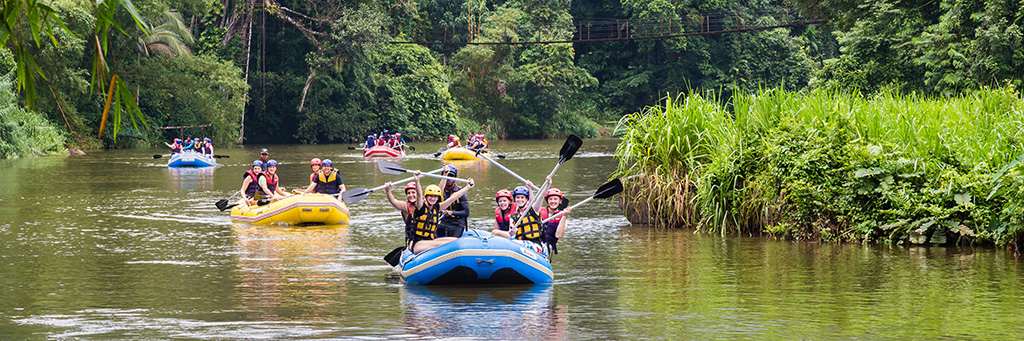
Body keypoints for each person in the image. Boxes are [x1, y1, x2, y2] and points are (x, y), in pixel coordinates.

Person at [408, 171, 475, 254]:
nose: (433, 198)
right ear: (426, 196)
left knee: (455, 240)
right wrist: (417, 180)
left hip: (430, 241)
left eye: (435, 196)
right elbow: (419, 194)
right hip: (418, 244)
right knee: (442, 243)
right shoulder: (420, 208)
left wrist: (467, 187)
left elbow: (453, 198)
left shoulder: (436, 208)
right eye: (430, 196)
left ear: (438, 198)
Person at [507, 176, 556, 257]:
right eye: (517, 198)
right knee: (512, 242)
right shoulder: (513, 216)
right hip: (520, 246)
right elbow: (511, 233)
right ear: (515, 200)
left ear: (527, 199)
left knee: (515, 243)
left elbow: (540, 197)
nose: (520, 200)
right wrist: (512, 233)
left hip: (536, 245)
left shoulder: (534, 211)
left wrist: (548, 185)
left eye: (522, 197)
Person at [436, 165, 469, 238]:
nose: (448, 178)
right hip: (443, 222)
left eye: (451, 176)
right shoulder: (438, 191)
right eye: (447, 175)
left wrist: (451, 213)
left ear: (455, 178)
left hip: (457, 223)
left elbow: (466, 212)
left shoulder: (460, 193)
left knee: (453, 239)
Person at [537, 187, 570, 255]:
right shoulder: (539, 211)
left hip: (545, 247)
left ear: (560, 201)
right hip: (534, 241)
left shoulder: (562, 217)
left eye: (555, 199)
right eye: (550, 199)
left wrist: (564, 216)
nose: (553, 201)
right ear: (547, 201)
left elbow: (558, 235)